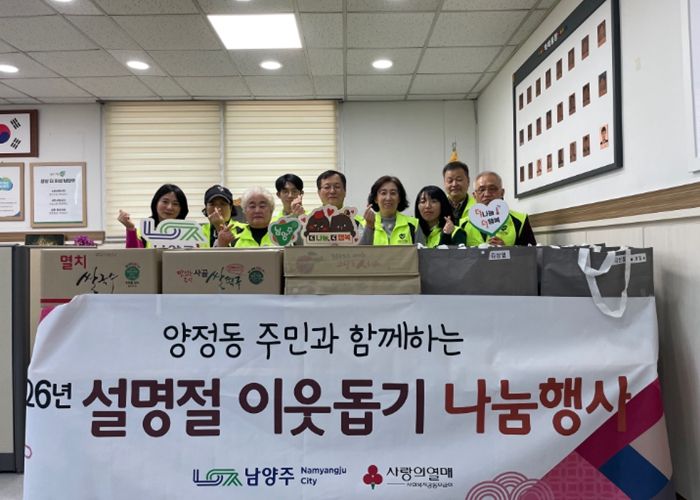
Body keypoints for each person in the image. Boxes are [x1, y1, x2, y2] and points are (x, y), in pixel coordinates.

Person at [453, 171, 536, 247]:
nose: (487, 194)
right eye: (482, 190)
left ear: (502, 193)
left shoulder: (520, 220)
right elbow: (458, 255)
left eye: (492, 189)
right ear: (475, 195)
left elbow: (531, 254)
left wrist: (507, 250)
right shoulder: (463, 224)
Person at [118, 183, 188, 248]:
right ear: (156, 203)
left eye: (175, 204)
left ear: (181, 208)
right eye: (165, 202)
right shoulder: (143, 232)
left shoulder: (189, 233)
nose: (169, 207)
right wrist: (130, 228)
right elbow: (133, 255)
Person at [360, 175, 418, 245]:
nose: (388, 198)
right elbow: (360, 251)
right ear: (376, 199)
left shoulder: (414, 224)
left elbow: (422, 251)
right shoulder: (363, 224)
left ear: (399, 198)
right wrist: (369, 227)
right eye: (383, 193)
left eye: (393, 193)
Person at [443, 161, 475, 227]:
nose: (454, 184)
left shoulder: (478, 206)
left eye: (459, 179)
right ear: (444, 183)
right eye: (450, 181)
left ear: (468, 181)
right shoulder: (438, 206)